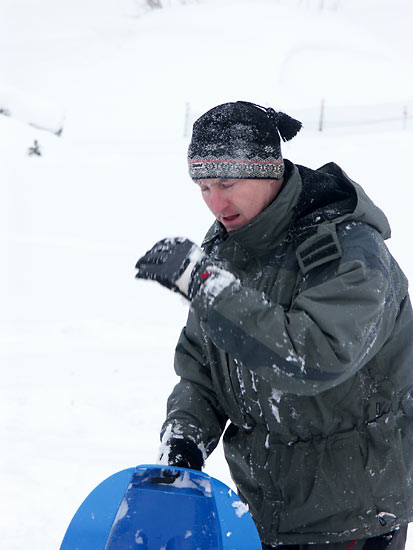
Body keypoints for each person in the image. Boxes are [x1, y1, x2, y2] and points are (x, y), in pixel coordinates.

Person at [135, 101, 413, 549]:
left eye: (227, 183)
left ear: (268, 171)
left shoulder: (349, 250)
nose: (215, 202)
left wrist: (208, 287)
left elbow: (312, 358)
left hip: (354, 513)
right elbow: (204, 364)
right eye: (204, 186)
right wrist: (185, 437)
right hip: (264, 510)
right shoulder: (228, 246)